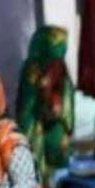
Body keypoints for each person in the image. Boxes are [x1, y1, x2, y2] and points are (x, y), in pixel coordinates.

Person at [16, 25, 74, 178]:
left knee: (58, 152)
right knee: (37, 163)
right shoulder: (33, 68)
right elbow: (29, 103)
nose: (61, 51)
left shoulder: (59, 65)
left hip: (56, 121)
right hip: (36, 121)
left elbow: (66, 91)